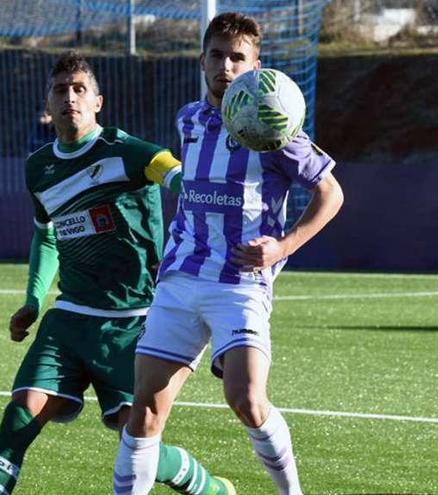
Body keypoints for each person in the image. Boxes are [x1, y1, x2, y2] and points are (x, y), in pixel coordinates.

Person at [0, 51, 235, 495]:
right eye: (60, 90)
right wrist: (34, 299)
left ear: (97, 102)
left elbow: (176, 176)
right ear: (47, 107)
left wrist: (209, 195)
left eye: (79, 90)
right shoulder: (39, 168)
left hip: (134, 320)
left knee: (137, 433)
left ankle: (209, 488)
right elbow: (47, 235)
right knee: (20, 414)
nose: (69, 97)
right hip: (70, 316)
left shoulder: (125, 150)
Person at [113, 12, 344, 495]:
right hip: (179, 280)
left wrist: (283, 246)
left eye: (238, 57)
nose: (226, 66)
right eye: (217, 55)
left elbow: (331, 195)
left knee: (246, 400)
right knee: (145, 412)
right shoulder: (190, 119)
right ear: (202, 59)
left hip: (239, 284)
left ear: (256, 65)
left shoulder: (277, 128)